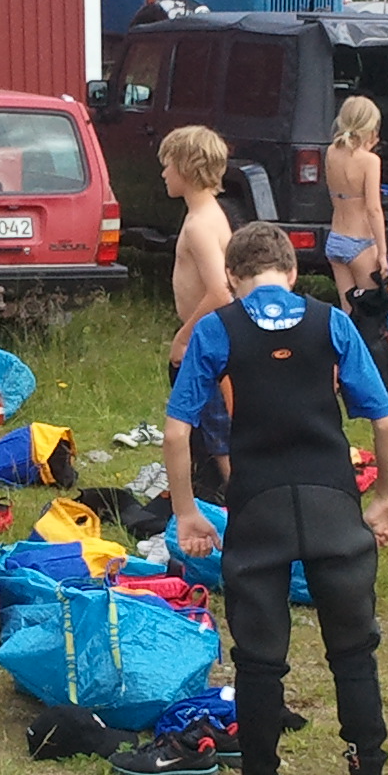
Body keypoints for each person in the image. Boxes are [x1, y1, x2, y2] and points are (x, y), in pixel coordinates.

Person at [165, 222, 388, 775]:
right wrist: (387, 498)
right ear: (293, 275)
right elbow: (385, 422)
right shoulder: (332, 322)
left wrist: (187, 511)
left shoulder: (217, 328)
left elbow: (176, 430)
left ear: (230, 278)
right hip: (332, 504)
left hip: (258, 508)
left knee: (259, 660)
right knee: (353, 652)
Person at [159, 123, 233, 501]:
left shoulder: (200, 226)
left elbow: (220, 290)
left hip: (207, 339)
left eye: (168, 164)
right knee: (207, 424)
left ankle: (242, 497)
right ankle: (210, 487)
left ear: (186, 168)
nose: (163, 173)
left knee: (219, 431)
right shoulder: (207, 214)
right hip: (208, 336)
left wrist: (184, 335)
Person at [323, 96, 388, 299]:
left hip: (336, 237)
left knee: (348, 308)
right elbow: (373, 209)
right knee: (371, 307)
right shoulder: (370, 161)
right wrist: (382, 253)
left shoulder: (331, 152)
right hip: (361, 241)